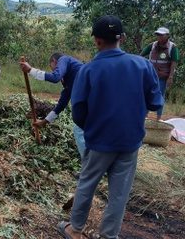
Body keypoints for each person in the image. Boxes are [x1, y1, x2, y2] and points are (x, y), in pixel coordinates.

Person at [58, 15, 163, 239]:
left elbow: (78, 113)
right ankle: (109, 236)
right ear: (122, 38)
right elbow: (155, 103)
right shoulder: (142, 65)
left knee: (87, 184)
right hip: (130, 142)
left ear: (97, 41)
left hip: (99, 142)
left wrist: (94, 127)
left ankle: (75, 229)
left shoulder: (88, 70)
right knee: (119, 194)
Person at [20, 53, 85, 159]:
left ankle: (89, 170)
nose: (54, 70)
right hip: (88, 105)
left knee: (80, 131)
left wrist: (30, 70)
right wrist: (44, 122)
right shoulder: (69, 80)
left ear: (54, 61)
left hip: (90, 102)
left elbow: (55, 77)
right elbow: (61, 105)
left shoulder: (64, 59)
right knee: (82, 131)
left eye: (52, 67)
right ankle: (92, 166)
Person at [140, 27, 179, 121]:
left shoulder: (172, 47)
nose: (159, 37)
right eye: (158, 35)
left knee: (160, 96)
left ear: (167, 36)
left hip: (162, 77)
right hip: (150, 75)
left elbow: (174, 62)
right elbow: (141, 55)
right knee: (147, 94)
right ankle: (145, 116)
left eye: (162, 35)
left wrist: (170, 76)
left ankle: (158, 118)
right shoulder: (152, 45)